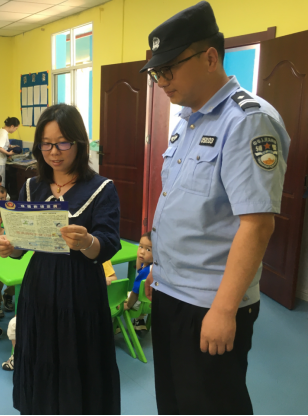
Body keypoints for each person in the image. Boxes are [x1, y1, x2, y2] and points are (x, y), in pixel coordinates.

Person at [140, 2, 290, 414]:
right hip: (172, 291)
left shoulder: (247, 121)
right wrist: (158, 265)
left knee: (211, 403)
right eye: (156, 72)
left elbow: (257, 225)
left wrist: (224, 310)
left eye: (169, 69)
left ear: (209, 57)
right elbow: (181, 203)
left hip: (210, 301)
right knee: (174, 402)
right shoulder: (189, 120)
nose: (161, 81)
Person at [0, 103, 122, 414]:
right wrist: (10, 246)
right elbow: (24, 243)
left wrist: (87, 242)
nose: (54, 152)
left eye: (63, 143)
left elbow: (108, 244)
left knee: (79, 357)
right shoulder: (31, 186)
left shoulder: (101, 188)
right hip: (39, 288)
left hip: (80, 290)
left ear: (79, 143)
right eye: (46, 144)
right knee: (40, 354)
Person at [124, 232, 152, 331]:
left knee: (119, 298)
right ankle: (139, 320)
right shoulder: (153, 268)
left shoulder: (145, 272)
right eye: (140, 247)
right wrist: (139, 256)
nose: (142, 252)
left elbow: (135, 293)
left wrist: (128, 305)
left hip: (139, 304)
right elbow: (139, 269)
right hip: (150, 304)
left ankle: (116, 325)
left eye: (148, 249)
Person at [0, 117, 20, 186]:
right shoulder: (3, 134)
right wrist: (8, 153)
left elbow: (4, 144)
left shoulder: (1, 130)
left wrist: (12, 146)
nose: (15, 130)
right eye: (16, 128)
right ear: (12, 126)